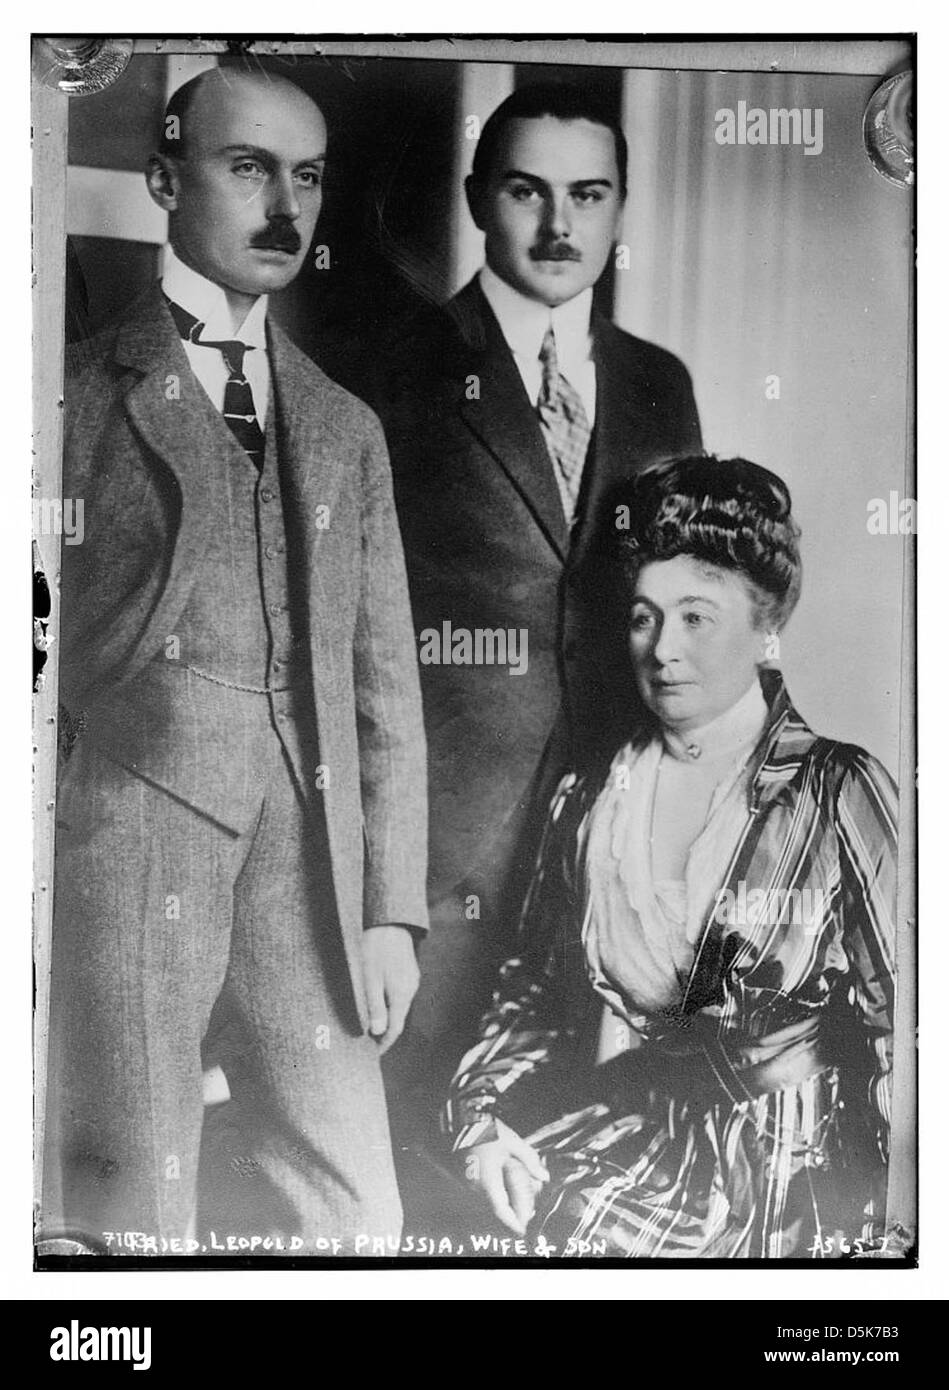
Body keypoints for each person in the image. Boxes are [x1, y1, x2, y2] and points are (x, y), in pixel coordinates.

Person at [44, 66, 428, 1252]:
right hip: (128, 843)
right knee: (130, 1217)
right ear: (165, 178)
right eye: (247, 167)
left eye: (305, 176)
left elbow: (383, 690)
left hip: (306, 868)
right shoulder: (66, 400)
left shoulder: (341, 425)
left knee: (357, 1211)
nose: (284, 207)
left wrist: (390, 914)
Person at [446, 456, 896, 1259]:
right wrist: (483, 1126)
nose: (661, 650)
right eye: (643, 617)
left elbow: (912, 1019)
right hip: (626, 1141)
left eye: (696, 617)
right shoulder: (589, 798)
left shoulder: (836, 789)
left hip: (789, 1188)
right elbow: (533, 994)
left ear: (764, 632)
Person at [366, 83, 703, 1087]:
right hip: (442, 853)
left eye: (589, 196)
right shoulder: (389, 370)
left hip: (613, 841)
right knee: (425, 1137)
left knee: (574, 1143)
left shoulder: (659, 383)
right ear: (477, 199)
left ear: (617, 208)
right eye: (527, 191)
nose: (561, 226)